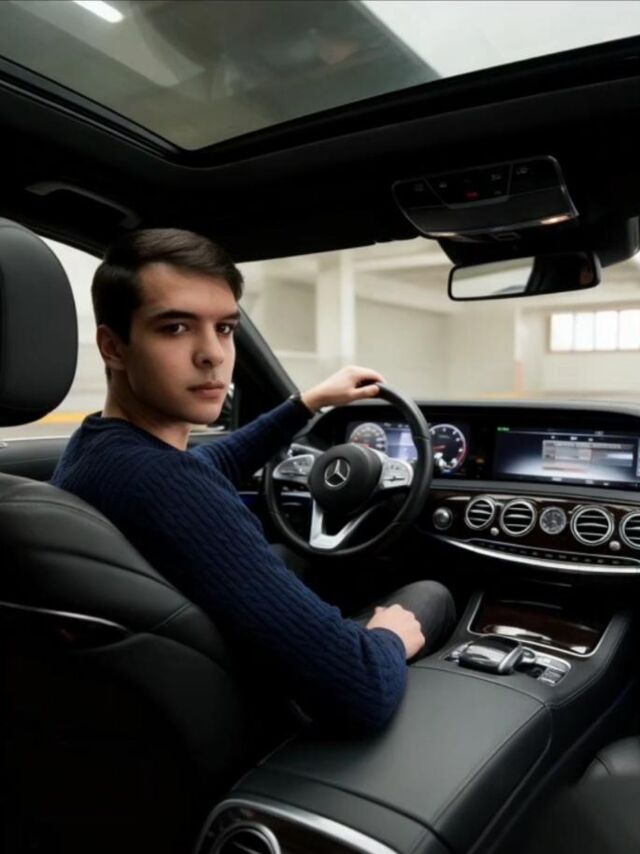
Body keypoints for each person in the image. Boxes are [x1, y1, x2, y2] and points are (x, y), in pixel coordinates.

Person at [51, 228, 455, 733]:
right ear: (113, 347)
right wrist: (390, 636)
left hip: (155, 699)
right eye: (175, 328)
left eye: (224, 328)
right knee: (430, 594)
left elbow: (207, 466)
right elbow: (364, 688)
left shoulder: (98, 448)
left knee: (293, 556)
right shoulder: (167, 486)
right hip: (252, 722)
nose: (213, 354)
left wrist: (306, 404)